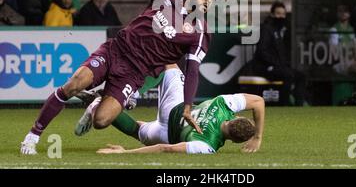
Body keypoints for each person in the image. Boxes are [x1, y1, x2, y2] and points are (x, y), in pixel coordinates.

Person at [20, 0, 219, 155]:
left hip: (134, 74)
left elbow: (192, 71)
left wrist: (187, 106)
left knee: (101, 121)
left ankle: (96, 103)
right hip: (115, 51)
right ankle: (32, 137)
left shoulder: (200, 32)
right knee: (74, 85)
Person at [94, 65, 265, 154]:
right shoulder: (207, 145)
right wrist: (126, 153)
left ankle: (132, 93)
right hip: (165, 135)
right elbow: (164, 149)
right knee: (136, 130)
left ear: (233, 117)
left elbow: (258, 102)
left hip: (176, 107)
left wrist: (258, 136)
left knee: (168, 61)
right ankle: (97, 106)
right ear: (234, 141)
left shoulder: (223, 104)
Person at [252, 1, 306, 106]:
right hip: (265, 67)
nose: (281, 16)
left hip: (278, 66)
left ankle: (299, 105)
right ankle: (283, 104)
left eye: (283, 14)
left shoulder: (281, 30)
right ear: (272, 14)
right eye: (278, 13)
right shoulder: (266, 29)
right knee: (287, 75)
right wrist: (275, 63)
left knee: (301, 76)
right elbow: (262, 51)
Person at [329, 5, 356, 88]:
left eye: (346, 11)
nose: (343, 13)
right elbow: (334, 53)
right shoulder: (334, 29)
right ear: (337, 14)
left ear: (349, 14)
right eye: (340, 11)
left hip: (352, 60)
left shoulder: (351, 29)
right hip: (339, 63)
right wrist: (349, 52)